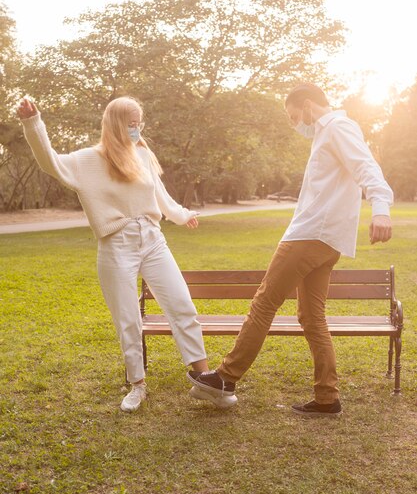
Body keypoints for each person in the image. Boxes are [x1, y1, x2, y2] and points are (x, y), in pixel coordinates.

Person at [188, 83, 393, 417]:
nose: (294, 123)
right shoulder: (326, 136)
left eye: (294, 116)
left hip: (310, 236)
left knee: (265, 301)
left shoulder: (338, 127)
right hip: (326, 239)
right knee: (312, 317)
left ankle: (225, 377)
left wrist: (381, 208)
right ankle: (327, 398)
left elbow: (367, 168)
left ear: (308, 105)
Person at [17, 96, 209, 412]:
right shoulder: (87, 160)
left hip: (152, 241)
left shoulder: (143, 155)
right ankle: (137, 385)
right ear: (115, 124)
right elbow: (49, 161)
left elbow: (160, 196)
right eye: (131, 124)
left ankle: (204, 379)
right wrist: (33, 123)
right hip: (116, 246)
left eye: (139, 123)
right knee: (128, 320)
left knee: (182, 305)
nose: (137, 129)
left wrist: (181, 214)